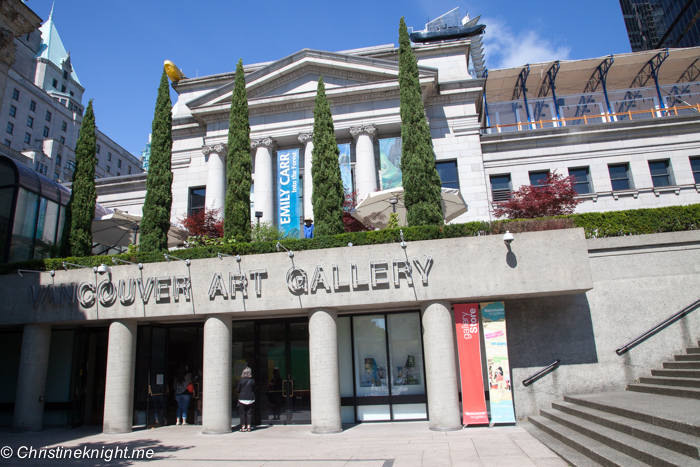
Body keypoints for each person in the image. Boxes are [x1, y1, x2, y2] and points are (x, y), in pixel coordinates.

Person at [236, 367, 255, 432]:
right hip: (250, 399)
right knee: (249, 413)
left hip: (242, 399)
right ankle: (249, 427)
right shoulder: (252, 381)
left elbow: (238, 390)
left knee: (242, 413)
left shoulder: (241, 381)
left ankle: (243, 427)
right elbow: (254, 389)